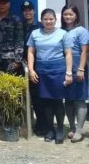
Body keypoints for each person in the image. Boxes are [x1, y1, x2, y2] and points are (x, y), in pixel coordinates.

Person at [27, 8, 73, 144]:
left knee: (57, 101)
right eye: (46, 19)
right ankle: (49, 129)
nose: (48, 21)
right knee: (46, 102)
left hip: (58, 70)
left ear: (55, 20)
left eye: (51, 19)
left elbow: (68, 54)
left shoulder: (63, 34)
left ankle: (59, 129)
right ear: (41, 20)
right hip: (42, 71)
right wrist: (30, 70)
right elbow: (30, 52)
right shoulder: (35, 34)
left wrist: (69, 72)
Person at [61, 4, 89, 143]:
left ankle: (79, 130)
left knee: (79, 99)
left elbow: (85, 51)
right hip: (65, 68)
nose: (68, 17)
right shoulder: (60, 30)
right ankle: (71, 127)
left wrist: (81, 69)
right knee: (69, 100)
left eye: (70, 14)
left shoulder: (81, 31)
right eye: (65, 14)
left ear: (76, 15)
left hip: (78, 67)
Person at [20, 0, 46, 136]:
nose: (28, 12)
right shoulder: (20, 26)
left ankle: (41, 124)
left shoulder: (40, 27)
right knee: (24, 97)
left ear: (34, 11)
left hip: (38, 66)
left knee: (38, 97)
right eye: (25, 11)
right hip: (22, 65)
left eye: (30, 10)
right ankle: (25, 123)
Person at [0, 0, 24, 75]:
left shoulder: (15, 19)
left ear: (9, 4)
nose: (2, 6)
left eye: (4, 3)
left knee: (10, 86)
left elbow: (19, 40)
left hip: (10, 60)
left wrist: (18, 60)